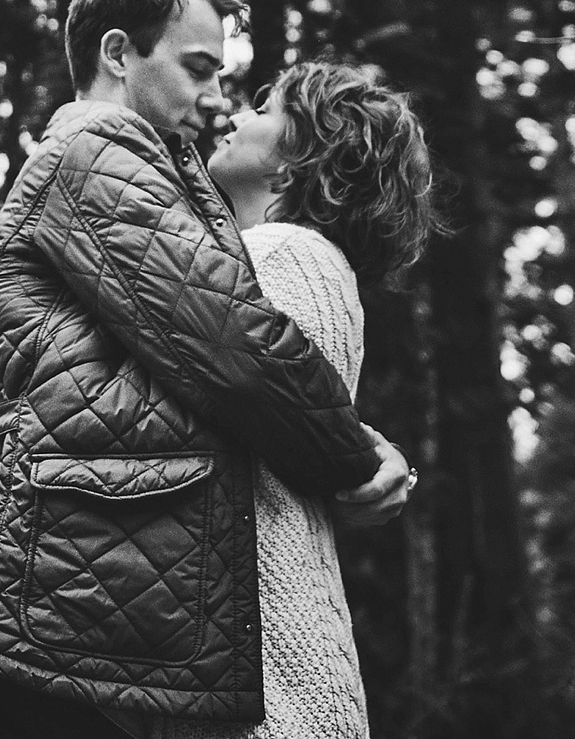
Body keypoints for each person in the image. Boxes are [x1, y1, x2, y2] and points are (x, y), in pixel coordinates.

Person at [0, 0, 414, 738]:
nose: (217, 100)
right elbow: (231, 346)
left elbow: (194, 358)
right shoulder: (97, 151)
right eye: (200, 68)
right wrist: (357, 456)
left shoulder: (154, 186)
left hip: (60, 613)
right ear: (118, 53)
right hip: (43, 611)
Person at [162, 61, 439, 739]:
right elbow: (286, 397)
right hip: (283, 647)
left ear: (308, 153)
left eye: (265, 105)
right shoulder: (301, 260)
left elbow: (229, 386)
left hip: (268, 665)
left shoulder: (283, 251)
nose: (233, 112)